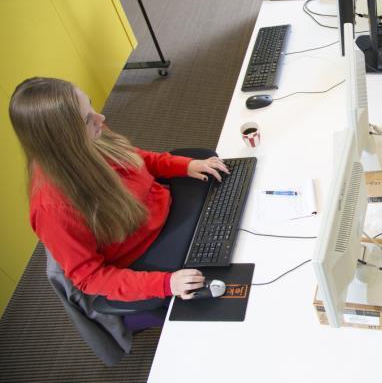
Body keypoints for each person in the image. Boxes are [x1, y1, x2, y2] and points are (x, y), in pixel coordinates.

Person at [9, 77, 230, 302]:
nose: (100, 118)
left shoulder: (92, 133)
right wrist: (165, 284)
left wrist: (186, 165)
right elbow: (90, 278)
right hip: (146, 254)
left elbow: (133, 158)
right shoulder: (52, 209)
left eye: (91, 105)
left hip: (162, 206)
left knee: (234, 209)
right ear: (63, 139)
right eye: (87, 118)